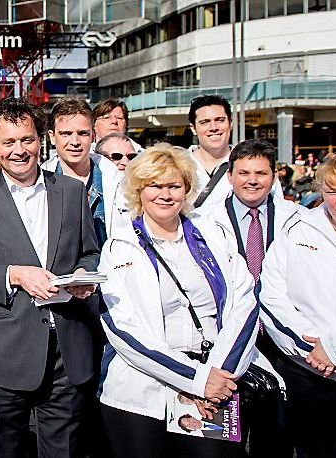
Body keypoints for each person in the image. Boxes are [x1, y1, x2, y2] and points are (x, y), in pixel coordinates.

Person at [0, 97, 101, 457]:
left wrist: (83, 274)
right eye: (9, 142)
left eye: (27, 140)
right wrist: (14, 274)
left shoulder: (71, 192)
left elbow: (90, 252)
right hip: (3, 352)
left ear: (40, 141)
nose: (20, 150)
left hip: (67, 349)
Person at [97, 144, 258, 458]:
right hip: (142, 391)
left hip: (213, 382)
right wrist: (196, 380)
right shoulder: (119, 247)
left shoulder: (213, 234)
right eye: (154, 185)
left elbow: (245, 301)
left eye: (174, 185)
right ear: (138, 191)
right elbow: (123, 330)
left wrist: (218, 376)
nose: (165, 194)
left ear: (187, 189)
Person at [194, 139, 301, 457]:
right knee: (220, 438)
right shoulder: (203, 222)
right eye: (243, 172)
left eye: (261, 173)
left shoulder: (298, 219)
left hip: (279, 342)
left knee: (278, 437)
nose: (252, 180)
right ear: (230, 175)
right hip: (225, 342)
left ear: (274, 176)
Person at [260, 150, 336, 458]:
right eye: (332, 191)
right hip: (307, 374)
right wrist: (310, 348)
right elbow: (271, 294)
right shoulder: (298, 228)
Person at [42, 98, 128, 248]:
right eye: (66, 134)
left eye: (82, 133)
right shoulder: (40, 182)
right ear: (52, 137)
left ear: (93, 136)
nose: (75, 141)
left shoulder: (115, 180)